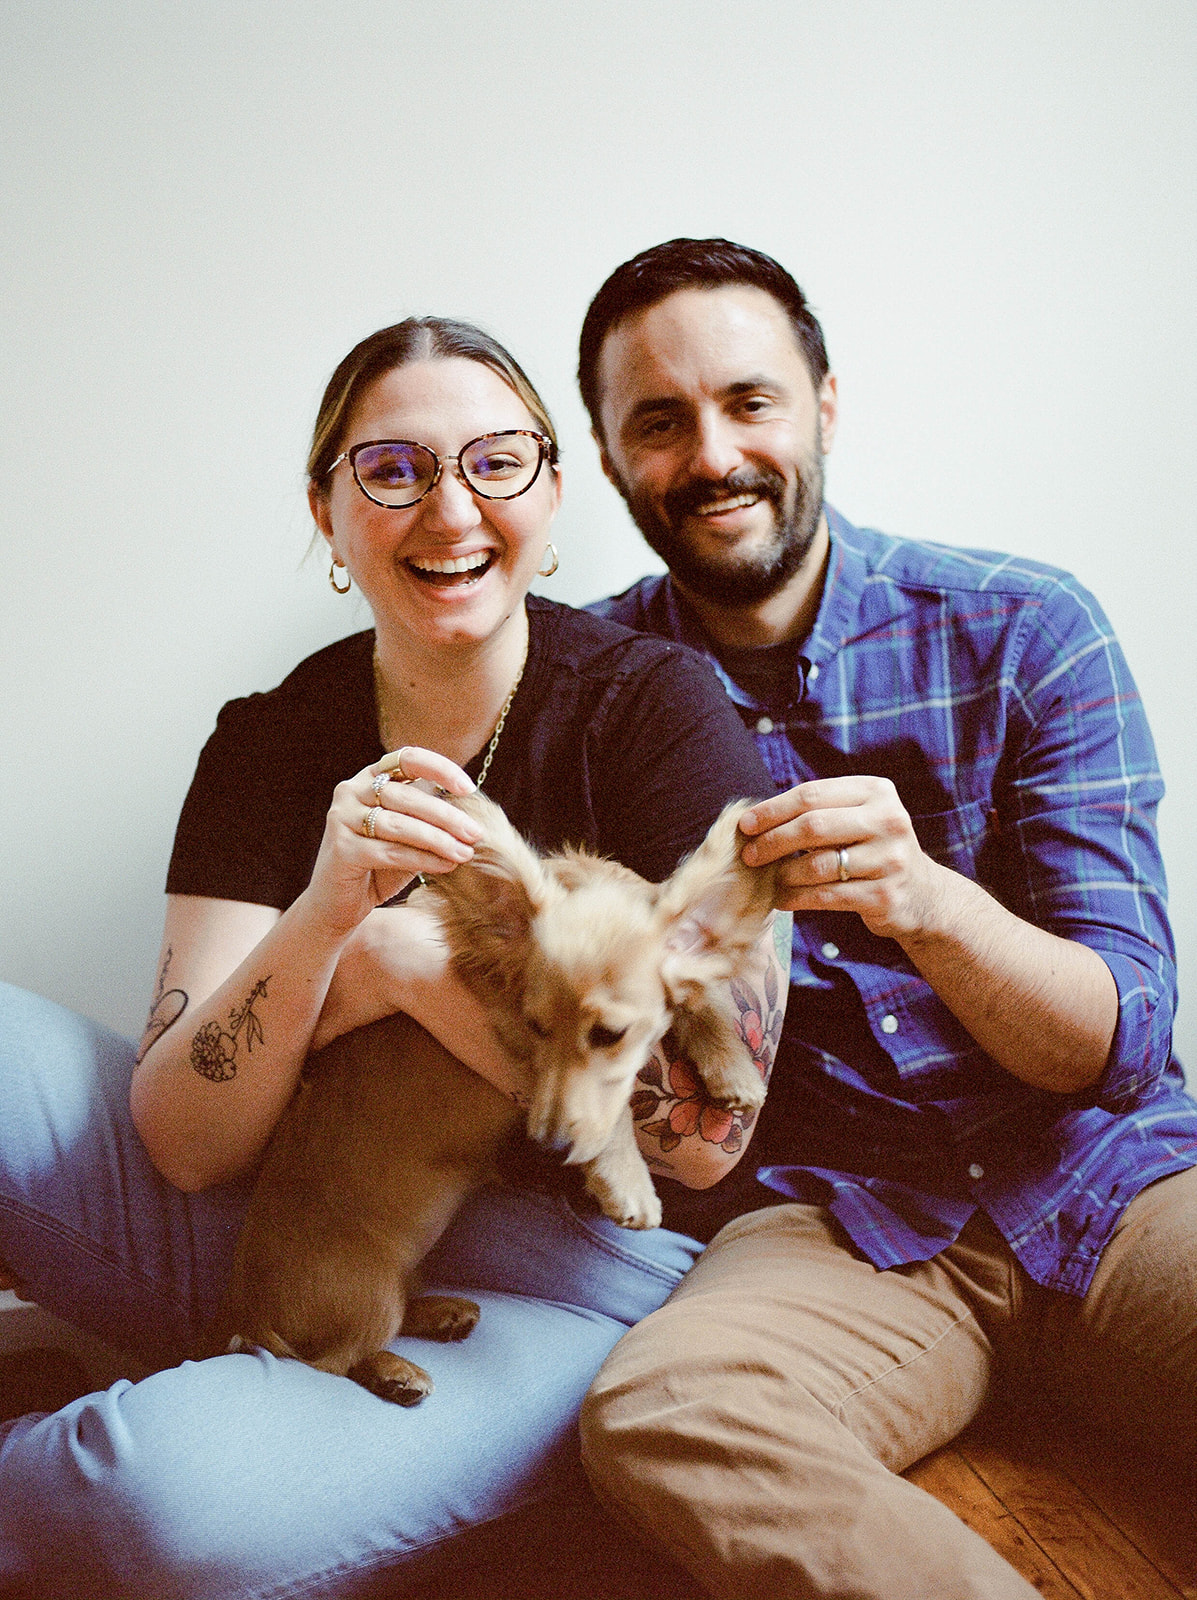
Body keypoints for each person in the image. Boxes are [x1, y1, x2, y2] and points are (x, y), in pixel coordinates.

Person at [0, 315, 786, 1598]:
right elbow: (186, 1143)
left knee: (156, 1499)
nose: (449, 508)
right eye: (393, 469)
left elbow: (701, 1138)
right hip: (292, 1221)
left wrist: (430, 970)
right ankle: (248, 1391)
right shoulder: (272, 739)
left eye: (495, 461)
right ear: (326, 507)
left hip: (559, 1281)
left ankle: (151, 1439)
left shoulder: (655, 709)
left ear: (551, 486)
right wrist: (335, 938)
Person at [575, 238, 1197, 1600]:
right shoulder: (590, 689)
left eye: (750, 402)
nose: (712, 454)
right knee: (663, 1417)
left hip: (1117, 1179)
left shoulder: (1028, 627)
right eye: (658, 422)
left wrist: (929, 906)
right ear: (612, 462)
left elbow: (1121, 1043)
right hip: (839, 1225)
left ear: (824, 407)